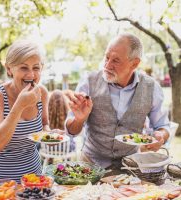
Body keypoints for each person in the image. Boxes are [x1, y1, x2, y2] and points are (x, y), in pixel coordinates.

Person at [65, 33, 170, 172]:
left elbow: (162, 126)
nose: (108, 65)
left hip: (130, 166)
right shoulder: (89, 82)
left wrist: (160, 136)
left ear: (135, 63)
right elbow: (71, 131)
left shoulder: (152, 87)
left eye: (116, 60)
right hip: (90, 166)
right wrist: (79, 119)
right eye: (107, 57)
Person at [0, 39, 50, 183]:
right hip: (0, 182)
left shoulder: (42, 93)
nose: (31, 75)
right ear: (9, 69)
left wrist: (50, 133)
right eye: (24, 68)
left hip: (33, 178)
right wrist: (19, 106)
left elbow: (44, 123)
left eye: (36, 68)